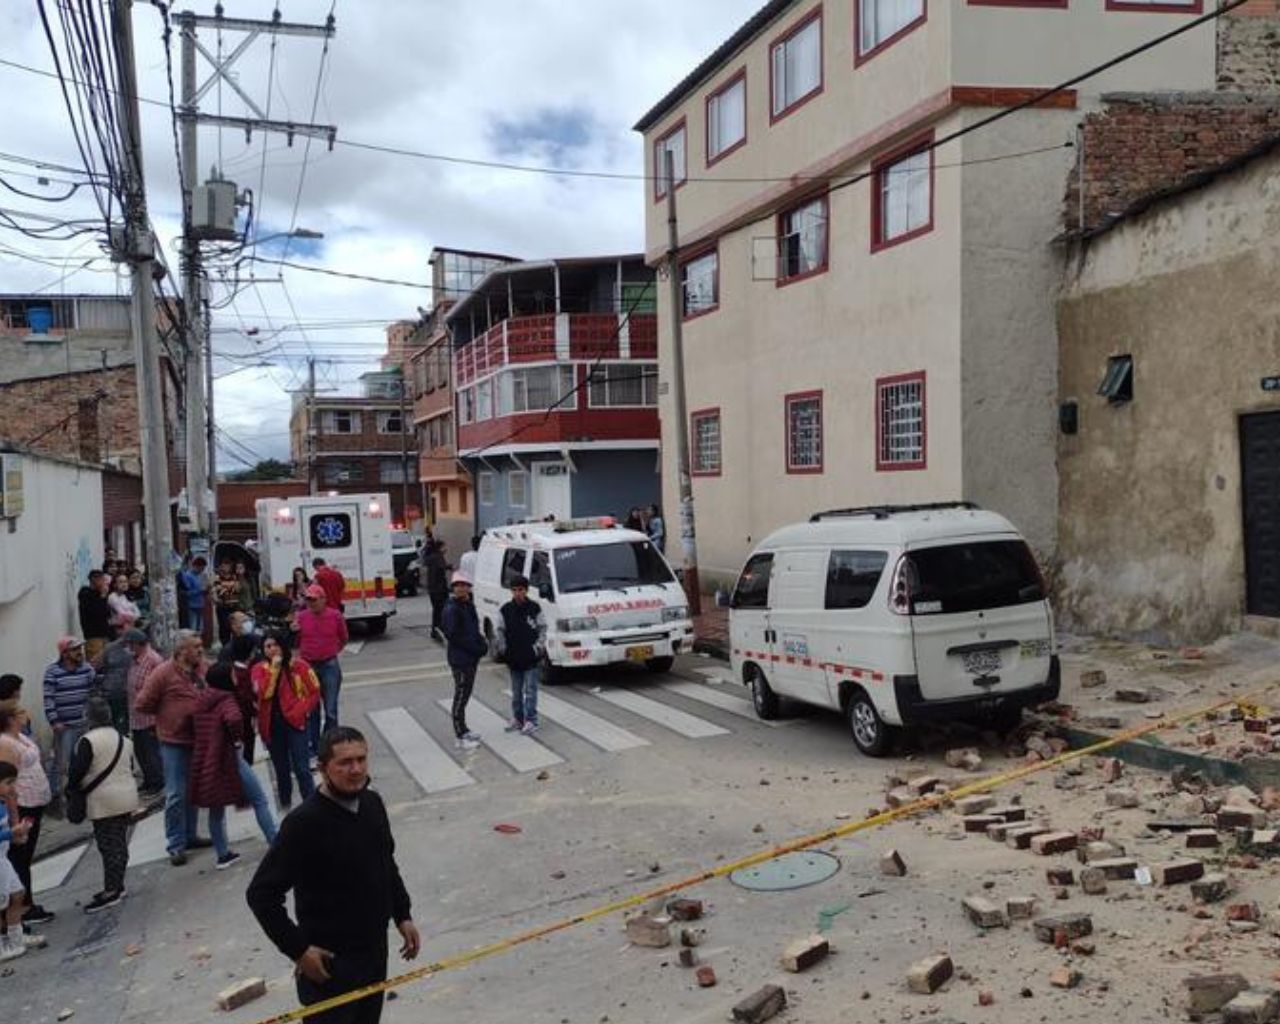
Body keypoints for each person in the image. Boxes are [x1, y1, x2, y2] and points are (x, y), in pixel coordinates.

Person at [246, 726, 419, 1024]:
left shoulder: (372, 804)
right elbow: (261, 895)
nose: (356, 769)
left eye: (361, 759)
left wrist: (402, 915)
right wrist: (299, 951)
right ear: (323, 768)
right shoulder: (303, 824)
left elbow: (385, 863)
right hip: (329, 965)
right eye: (345, 762)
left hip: (374, 953)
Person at [134, 630, 212, 866]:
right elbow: (142, 703)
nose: (200, 650)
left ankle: (190, 835)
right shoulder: (163, 673)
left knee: (193, 791)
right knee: (176, 793)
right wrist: (167, 717)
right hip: (174, 742)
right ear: (181, 651)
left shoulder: (202, 669)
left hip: (198, 739)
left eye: (200, 645)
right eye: (195, 646)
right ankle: (176, 844)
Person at [190, 663, 277, 870]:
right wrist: (237, 739)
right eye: (232, 674)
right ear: (225, 679)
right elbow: (234, 719)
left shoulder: (201, 699)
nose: (236, 677)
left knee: (216, 809)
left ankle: (223, 855)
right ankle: (275, 842)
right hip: (230, 757)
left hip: (208, 759)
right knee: (259, 800)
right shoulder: (226, 699)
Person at [66, 696, 138, 914]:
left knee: (109, 846)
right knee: (119, 843)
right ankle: (117, 885)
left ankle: (112, 891)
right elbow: (130, 766)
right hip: (127, 796)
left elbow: (76, 772)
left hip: (104, 801)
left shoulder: (87, 741)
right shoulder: (123, 739)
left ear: (87, 717)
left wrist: (71, 790)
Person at [252, 631, 320, 811]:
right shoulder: (258, 670)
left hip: (296, 723)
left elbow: (314, 692)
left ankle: (312, 808)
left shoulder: (300, 666)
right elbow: (264, 693)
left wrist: (301, 710)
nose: (272, 649)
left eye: (275, 645)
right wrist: (274, 669)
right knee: (281, 770)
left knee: (302, 769)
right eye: (267, 646)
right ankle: (286, 806)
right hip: (271, 726)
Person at [0, 705, 54, 926]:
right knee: (20, 857)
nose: (27, 715)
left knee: (26, 856)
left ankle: (26, 904)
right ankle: (23, 909)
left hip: (35, 801)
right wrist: (14, 820)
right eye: (21, 713)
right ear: (10, 719)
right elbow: (8, 780)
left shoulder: (21, 736)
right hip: (22, 803)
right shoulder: (5, 743)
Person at [42, 636, 97, 812]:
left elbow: (94, 692)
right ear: (64, 653)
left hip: (85, 724)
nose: (80, 652)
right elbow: (48, 698)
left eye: (80, 648)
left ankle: (80, 796)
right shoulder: (52, 672)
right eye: (75, 650)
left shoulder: (87, 669)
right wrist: (55, 721)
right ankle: (55, 798)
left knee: (85, 761)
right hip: (65, 727)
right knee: (61, 763)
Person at [296, 585, 349, 756]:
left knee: (331, 709)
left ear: (323, 599)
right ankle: (315, 744)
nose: (310, 603)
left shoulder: (335, 616)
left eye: (314, 599)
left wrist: (333, 651)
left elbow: (344, 637)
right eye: (308, 599)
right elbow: (295, 640)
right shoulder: (301, 617)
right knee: (312, 710)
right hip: (308, 665)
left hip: (329, 665)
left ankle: (330, 743)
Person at [495, 575, 547, 735]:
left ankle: (531, 720)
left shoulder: (534, 608)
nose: (518, 593)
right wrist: (503, 648)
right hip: (514, 656)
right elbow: (500, 630)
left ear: (526, 590)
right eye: (515, 590)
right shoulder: (505, 610)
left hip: (531, 657)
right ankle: (518, 719)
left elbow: (542, 628)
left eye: (521, 590)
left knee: (530, 691)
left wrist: (538, 647)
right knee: (516, 692)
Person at [441, 571, 486, 750]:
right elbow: (453, 635)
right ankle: (459, 734)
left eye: (464, 585)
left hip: (470, 658)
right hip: (460, 659)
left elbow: (474, 629)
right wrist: (475, 648)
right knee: (460, 695)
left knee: (466, 693)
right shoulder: (452, 608)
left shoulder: (468, 605)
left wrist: (482, 643)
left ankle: (464, 729)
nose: (461, 588)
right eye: (457, 585)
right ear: (453, 588)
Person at [0, 763, 38, 961]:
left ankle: (16, 936)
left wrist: (17, 835)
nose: (12, 787)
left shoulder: (2, 804)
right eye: (8, 783)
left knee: (17, 894)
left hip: (3, 858)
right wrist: (11, 833)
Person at [124, 629, 165, 797]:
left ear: (138, 644)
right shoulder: (135, 659)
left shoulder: (153, 660)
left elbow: (161, 688)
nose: (128, 648)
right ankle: (148, 780)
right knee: (140, 751)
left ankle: (157, 782)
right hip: (136, 716)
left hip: (150, 717)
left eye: (130, 644)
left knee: (151, 752)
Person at [218, 612, 263, 765]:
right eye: (242, 621)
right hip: (238, 705)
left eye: (247, 620)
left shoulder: (257, 642)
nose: (247, 623)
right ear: (233, 626)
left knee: (250, 739)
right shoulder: (227, 651)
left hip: (255, 703)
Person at [96, 632, 134, 735]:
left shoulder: (138, 647)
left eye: (122, 626)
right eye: (118, 628)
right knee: (114, 725)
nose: (120, 630)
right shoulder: (110, 648)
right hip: (113, 694)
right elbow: (97, 666)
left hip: (131, 694)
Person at [78, 570, 113, 662]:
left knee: (107, 663)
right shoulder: (85, 593)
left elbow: (107, 613)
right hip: (93, 635)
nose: (103, 583)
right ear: (93, 580)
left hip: (105, 634)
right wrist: (103, 596)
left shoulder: (101, 594)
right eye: (101, 579)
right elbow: (95, 613)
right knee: (95, 663)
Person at [422, 541, 450, 642]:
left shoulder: (430, 558)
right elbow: (442, 567)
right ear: (439, 548)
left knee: (436, 610)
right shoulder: (438, 557)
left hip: (432, 589)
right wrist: (450, 567)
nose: (446, 549)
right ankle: (439, 629)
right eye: (444, 547)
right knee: (441, 610)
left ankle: (435, 630)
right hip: (440, 589)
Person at [177, 557, 208, 633]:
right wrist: (200, 590)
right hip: (191, 606)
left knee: (200, 628)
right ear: (196, 566)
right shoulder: (187, 576)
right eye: (201, 568)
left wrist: (205, 590)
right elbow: (186, 593)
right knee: (193, 628)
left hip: (200, 605)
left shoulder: (200, 576)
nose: (202, 571)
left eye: (203, 569)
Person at [214, 561, 241, 645]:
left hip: (234, 605)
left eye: (227, 565)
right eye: (223, 565)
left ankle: (235, 644)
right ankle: (225, 644)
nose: (226, 567)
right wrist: (229, 588)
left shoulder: (234, 577)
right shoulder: (217, 577)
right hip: (222, 606)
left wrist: (225, 588)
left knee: (235, 626)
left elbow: (238, 589)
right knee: (224, 627)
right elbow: (218, 591)